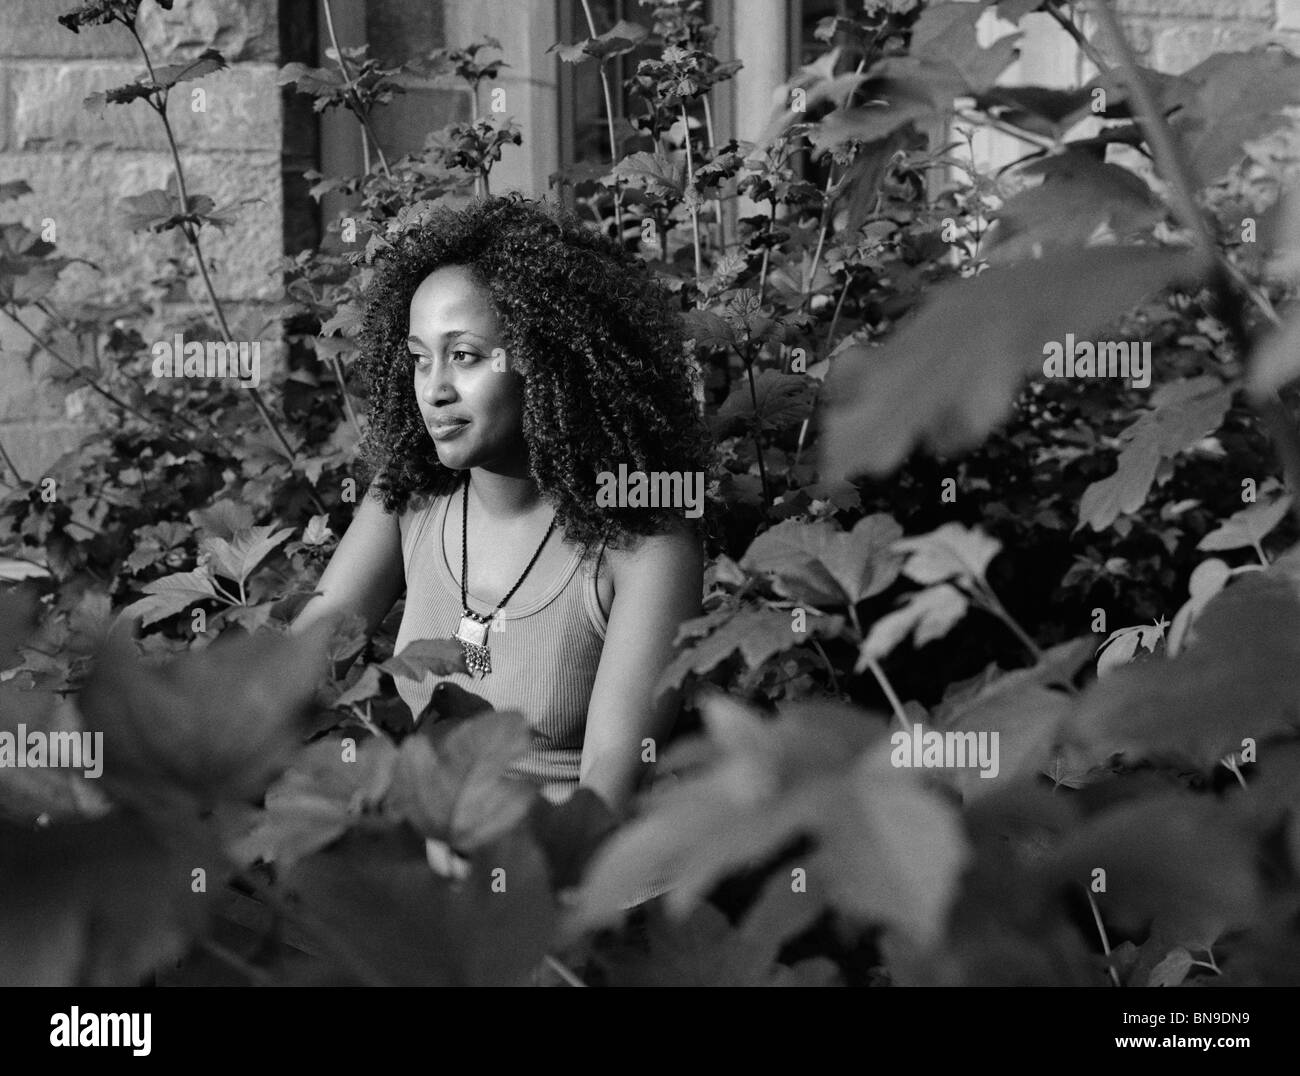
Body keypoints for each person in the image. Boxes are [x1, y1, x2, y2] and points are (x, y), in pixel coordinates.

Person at [290, 193, 712, 817]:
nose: (433, 389)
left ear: (548, 361)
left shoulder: (644, 544)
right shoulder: (409, 498)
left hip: (573, 888)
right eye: (417, 358)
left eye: (464, 355)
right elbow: (290, 675)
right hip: (430, 866)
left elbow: (605, 794)